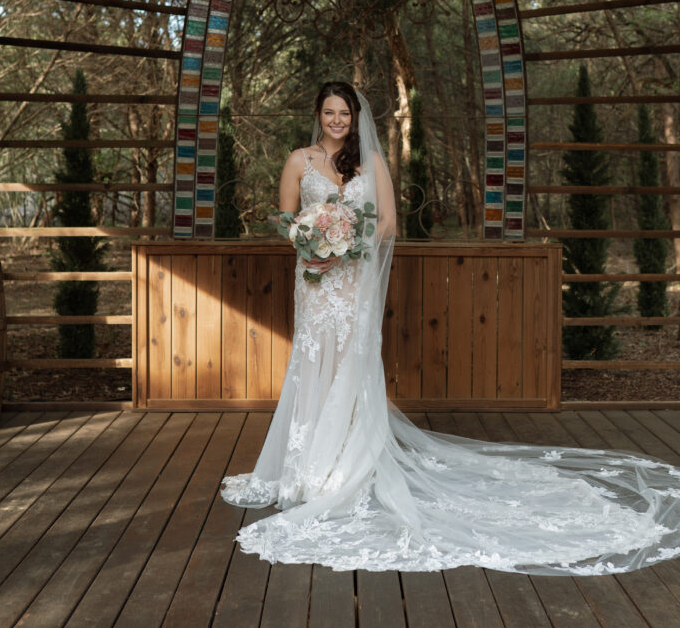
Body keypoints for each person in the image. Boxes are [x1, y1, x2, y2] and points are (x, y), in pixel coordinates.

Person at [221, 81, 680, 574]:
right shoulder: (299, 160)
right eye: (329, 113)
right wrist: (315, 247)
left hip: (355, 282)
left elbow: (389, 223)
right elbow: (287, 220)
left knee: (351, 365)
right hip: (315, 282)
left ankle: (344, 466)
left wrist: (350, 248)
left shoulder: (371, 162)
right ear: (318, 114)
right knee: (313, 363)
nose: (337, 121)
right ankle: (306, 468)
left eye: (345, 114)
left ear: (355, 119)